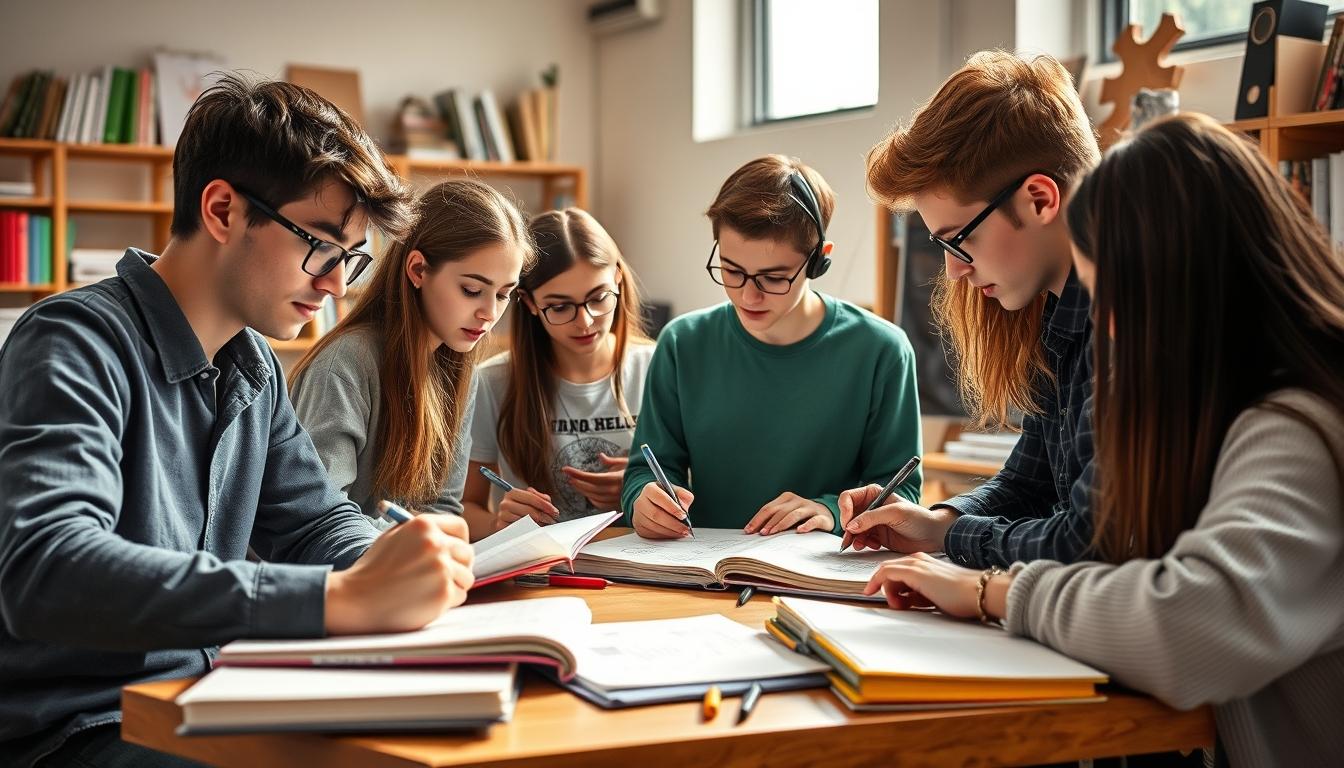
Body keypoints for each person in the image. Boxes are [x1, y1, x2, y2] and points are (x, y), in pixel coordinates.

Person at [0, 74, 475, 768]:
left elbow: (314, 524)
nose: (335, 285)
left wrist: (393, 560)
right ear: (222, 210)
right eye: (321, 246)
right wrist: (336, 598)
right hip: (83, 728)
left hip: (208, 699)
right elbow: (48, 568)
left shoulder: (252, 365)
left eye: (350, 261)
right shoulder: (73, 341)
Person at [860, 113, 1344, 767]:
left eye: (1111, 294)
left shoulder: (1299, 430)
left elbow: (1183, 625)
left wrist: (989, 592)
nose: (1105, 329)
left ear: (1185, 280)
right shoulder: (1231, 409)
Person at [848, 50, 1102, 569]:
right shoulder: (1058, 315)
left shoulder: (1129, 323)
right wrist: (939, 521)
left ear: (1039, 199)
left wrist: (954, 540)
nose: (953, 271)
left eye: (959, 240)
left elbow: (1087, 540)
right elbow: (1030, 482)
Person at [621, 154, 921, 539]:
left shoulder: (881, 351)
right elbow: (645, 470)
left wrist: (830, 510)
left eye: (774, 278)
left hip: (818, 567)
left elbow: (902, 493)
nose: (748, 296)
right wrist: (642, 501)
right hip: (703, 565)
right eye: (732, 270)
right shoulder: (681, 342)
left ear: (819, 261)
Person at [291, 178, 532, 527]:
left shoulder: (459, 371)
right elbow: (319, 521)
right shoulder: (344, 366)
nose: (490, 313)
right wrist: (421, 538)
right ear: (418, 269)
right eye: (471, 290)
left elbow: (444, 510)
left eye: (503, 294)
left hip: (406, 560)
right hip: (347, 561)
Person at [464, 208, 654, 538]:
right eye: (560, 306)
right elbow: (464, 508)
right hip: (544, 562)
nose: (585, 321)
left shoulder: (658, 366)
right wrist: (499, 524)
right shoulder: (491, 382)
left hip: (643, 559)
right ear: (529, 302)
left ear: (618, 279)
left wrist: (640, 487)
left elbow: (697, 490)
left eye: (599, 298)